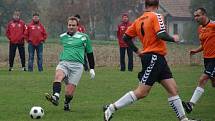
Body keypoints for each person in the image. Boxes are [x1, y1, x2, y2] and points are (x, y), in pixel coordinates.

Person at [103, 0, 199, 121]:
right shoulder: (157, 16)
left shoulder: (138, 20)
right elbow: (161, 34)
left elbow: (126, 37)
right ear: (157, 6)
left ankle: (183, 119)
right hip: (154, 57)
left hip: (158, 58)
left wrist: (138, 51)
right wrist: (173, 38)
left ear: (145, 6)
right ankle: (111, 108)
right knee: (142, 92)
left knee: (173, 89)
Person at [45, 16, 95, 111]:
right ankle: (55, 96)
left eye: (73, 25)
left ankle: (66, 103)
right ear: (67, 25)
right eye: (69, 25)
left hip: (77, 67)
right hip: (64, 63)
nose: (71, 27)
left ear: (77, 26)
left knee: (69, 93)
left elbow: (89, 53)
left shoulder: (84, 37)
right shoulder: (62, 36)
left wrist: (92, 68)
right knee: (58, 76)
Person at [182, 8, 215, 114]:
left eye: (198, 15)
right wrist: (195, 51)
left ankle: (190, 105)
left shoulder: (213, 25)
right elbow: (204, 45)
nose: (196, 18)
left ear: (204, 15)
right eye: (195, 16)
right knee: (213, 83)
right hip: (207, 59)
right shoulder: (200, 28)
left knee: (202, 80)